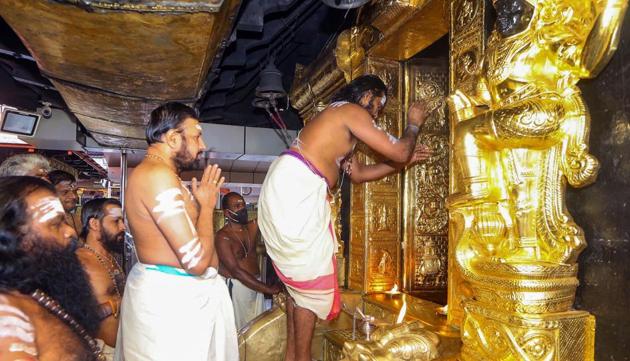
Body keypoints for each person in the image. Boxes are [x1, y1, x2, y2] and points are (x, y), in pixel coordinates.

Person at [258, 74, 431, 361]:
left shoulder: (340, 118)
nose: (377, 113)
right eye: (378, 105)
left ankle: (293, 357)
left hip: (293, 188)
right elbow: (400, 150)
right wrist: (414, 122)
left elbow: (360, 175)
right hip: (296, 189)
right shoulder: (351, 112)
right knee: (310, 280)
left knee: (300, 283)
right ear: (368, 96)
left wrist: (401, 164)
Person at [116, 102, 237, 361]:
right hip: (170, 307)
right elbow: (195, 262)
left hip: (176, 303)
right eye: (196, 135)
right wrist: (206, 207)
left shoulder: (161, 175)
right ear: (172, 138)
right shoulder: (156, 176)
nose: (202, 145)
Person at [0, 176, 103, 360]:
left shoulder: (33, 288)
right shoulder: (7, 317)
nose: (70, 231)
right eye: (56, 224)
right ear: (14, 235)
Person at [216, 192, 281, 330]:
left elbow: (272, 213)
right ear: (227, 213)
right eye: (237, 206)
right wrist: (267, 289)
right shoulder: (222, 237)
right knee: (239, 332)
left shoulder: (252, 227)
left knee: (257, 331)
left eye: (243, 204)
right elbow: (236, 271)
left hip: (256, 285)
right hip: (238, 287)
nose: (243, 208)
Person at [76, 198, 126, 359]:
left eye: (123, 221)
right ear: (94, 224)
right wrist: (116, 304)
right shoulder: (80, 261)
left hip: (120, 349)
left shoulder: (111, 257)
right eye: (116, 221)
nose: (123, 227)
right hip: (101, 353)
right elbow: (73, 315)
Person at [48, 169, 82, 235]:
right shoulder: (40, 223)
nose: (74, 196)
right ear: (50, 193)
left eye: (75, 192)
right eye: (65, 192)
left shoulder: (78, 221)